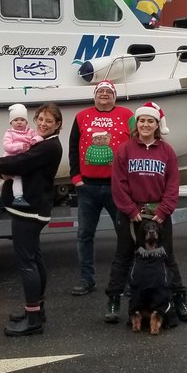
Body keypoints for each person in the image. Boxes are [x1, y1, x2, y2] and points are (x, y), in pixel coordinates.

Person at [102, 102, 187, 325]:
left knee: (168, 257)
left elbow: (173, 184)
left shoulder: (167, 151)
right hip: (131, 212)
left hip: (158, 214)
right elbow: (118, 183)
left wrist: (164, 211)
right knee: (123, 256)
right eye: (142, 120)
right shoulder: (125, 149)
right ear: (137, 124)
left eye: (150, 121)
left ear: (156, 125)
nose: (145, 124)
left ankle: (179, 299)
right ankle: (114, 299)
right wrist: (130, 210)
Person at [0, 103, 65, 336]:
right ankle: (37, 310)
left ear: (58, 125)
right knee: (35, 257)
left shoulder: (47, 147)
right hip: (35, 208)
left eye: (49, 121)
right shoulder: (43, 143)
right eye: (40, 119)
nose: (43, 123)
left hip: (29, 211)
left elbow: (15, 163)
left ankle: (33, 319)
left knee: (27, 262)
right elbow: (20, 164)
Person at [67, 80, 132, 295]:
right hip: (88, 188)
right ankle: (87, 279)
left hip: (118, 187)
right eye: (100, 91)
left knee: (125, 235)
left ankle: (129, 280)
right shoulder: (81, 116)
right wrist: (76, 177)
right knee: (84, 234)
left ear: (115, 96)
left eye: (109, 91)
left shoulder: (126, 115)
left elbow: (137, 145)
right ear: (94, 95)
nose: (104, 94)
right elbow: (73, 148)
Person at [0, 103, 41, 208]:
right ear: (11, 122)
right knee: (17, 177)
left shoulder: (30, 132)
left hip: (21, 160)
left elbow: (39, 137)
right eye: (16, 120)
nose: (19, 122)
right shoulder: (9, 133)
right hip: (10, 159)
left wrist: (34, 140)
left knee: (7, 179)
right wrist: (20, 146)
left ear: (26, 121)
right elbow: (7, 146)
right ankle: (18, 197)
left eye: (22, 120)